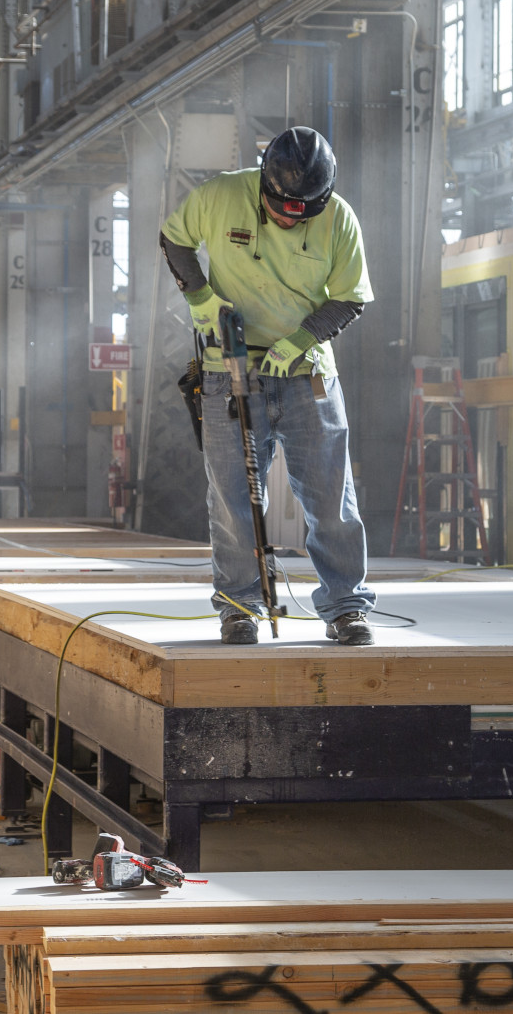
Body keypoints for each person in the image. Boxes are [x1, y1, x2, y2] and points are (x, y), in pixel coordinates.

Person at [160, 126, 377, 646]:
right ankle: (239, 607)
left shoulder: (340, 218)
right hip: (228, 370)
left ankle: (346, 607)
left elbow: (351, 297)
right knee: (233, 499)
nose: (288, 217)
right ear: (263, 184)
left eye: (301, 210)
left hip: (307, 375)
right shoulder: (220, 196)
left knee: (331, 500)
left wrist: (301, 339)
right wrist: (200, 298)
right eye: (280, 207)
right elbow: (175, 239)